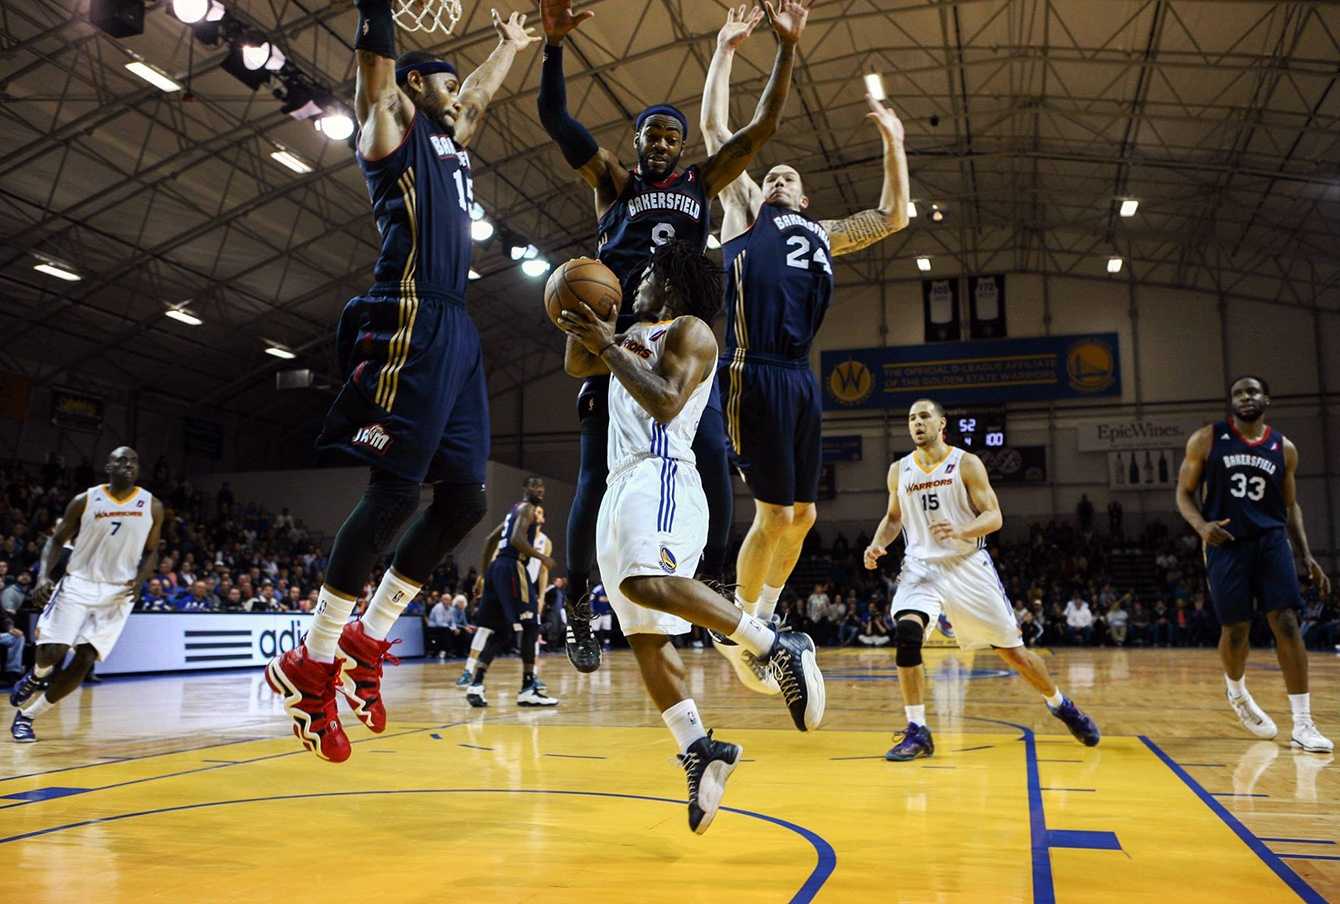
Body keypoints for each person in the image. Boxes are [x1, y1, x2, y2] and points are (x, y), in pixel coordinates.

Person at [263, 2, 539, 763]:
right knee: (392, 493)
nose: (463, 99)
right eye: (447, 88)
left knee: (468, 499)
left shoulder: (451, 142)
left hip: (457, 329)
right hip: (410, 318)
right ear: (418, 86)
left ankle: (368, 634)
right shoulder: (390, 127)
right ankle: (311, 660)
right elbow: (375, 74)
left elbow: (478, 98)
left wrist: (508, 49)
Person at [535, 0, 813, 673]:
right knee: (593, 476)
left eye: (669, 136)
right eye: (650, 135)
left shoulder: (701, 180)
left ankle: (716, 579)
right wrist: (551, 48)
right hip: (615, 333)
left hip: (679, 337)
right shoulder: (614, 184)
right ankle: (577, 608)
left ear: (679, 147)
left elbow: (763, 126)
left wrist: (785, 47)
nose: (659, 143)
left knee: (715, 454)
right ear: (635, 142)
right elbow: (557, 121)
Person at [558, 240, 825, 833]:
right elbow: (577, 364)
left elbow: (665, 401)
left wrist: (605, 341)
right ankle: (699, 748)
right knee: (645, 638)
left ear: (672, 284)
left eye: (648, 273)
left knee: (648, 583)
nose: (636, 282)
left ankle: (774, 645)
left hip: (664, 475)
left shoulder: (691, 331)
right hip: (620, 484)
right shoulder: (629, 333)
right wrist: (578, 315)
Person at [699, 5, 910, 690]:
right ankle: (740, 628)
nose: (779, 179)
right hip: (749, 371)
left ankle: (758, 618)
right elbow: (714, 130)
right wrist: (726, 50)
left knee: (805, 514)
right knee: (771, 513)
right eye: (774, 176)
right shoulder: (744, 210)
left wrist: (895, 144)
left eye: (790, 177)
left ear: (807, 194)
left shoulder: (823, 232)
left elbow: (893, 216)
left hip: (797, 376)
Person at [862, 400, 1100, 761]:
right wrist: (877, 543)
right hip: (920, 568)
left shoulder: (966, 463)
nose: (917, 423)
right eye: (911, 418)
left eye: (924, 416)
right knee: (908, 634)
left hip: (967, 567)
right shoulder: (899, 470)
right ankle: (918, 730)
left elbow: (994, 517)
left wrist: (961, 529)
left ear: (942, 423)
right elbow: (894, 518)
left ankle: (1060, 704)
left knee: (1013, 654)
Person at [1175, 375, 1332, 752]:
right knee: (1237, 629)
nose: (1246, 397)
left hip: (1272, 540)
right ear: (1231, 402)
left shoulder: (1284, 448)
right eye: (1238, 393)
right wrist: (1201, 526)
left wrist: (1307, 555)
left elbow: (1291, 505)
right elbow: (1183, 493)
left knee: (1288, 623)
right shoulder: (1207, 439)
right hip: (1227, 543)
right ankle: (1237, 693)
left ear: (1267, 399)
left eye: (1252, 391)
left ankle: (1303, 723)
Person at [10, 448, 164, 742]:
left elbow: (152, 550)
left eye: (133, 461)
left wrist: (142, 579)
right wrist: (43, 576)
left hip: (118, 592)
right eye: (120, 460)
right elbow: (55, 541)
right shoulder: (86, 500)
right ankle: (36, 676)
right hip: (79, 582)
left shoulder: (152, 506)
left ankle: (27, 717)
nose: (127, 465)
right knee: (52, 653)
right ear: (108, 466)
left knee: (84, 660)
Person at [463, 478, 559, 707]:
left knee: (502, 631)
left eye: (542, 488)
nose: (540, 491)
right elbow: (516, 539)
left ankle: (475, 684)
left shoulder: (513, 511)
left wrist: (485, 575)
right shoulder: (527, 508)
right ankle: (528, 688)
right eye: (535, 487)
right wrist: (541, 557)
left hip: (497, 569)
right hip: (513, 567)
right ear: (525, 490)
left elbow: (489, 541)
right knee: (531, 625)